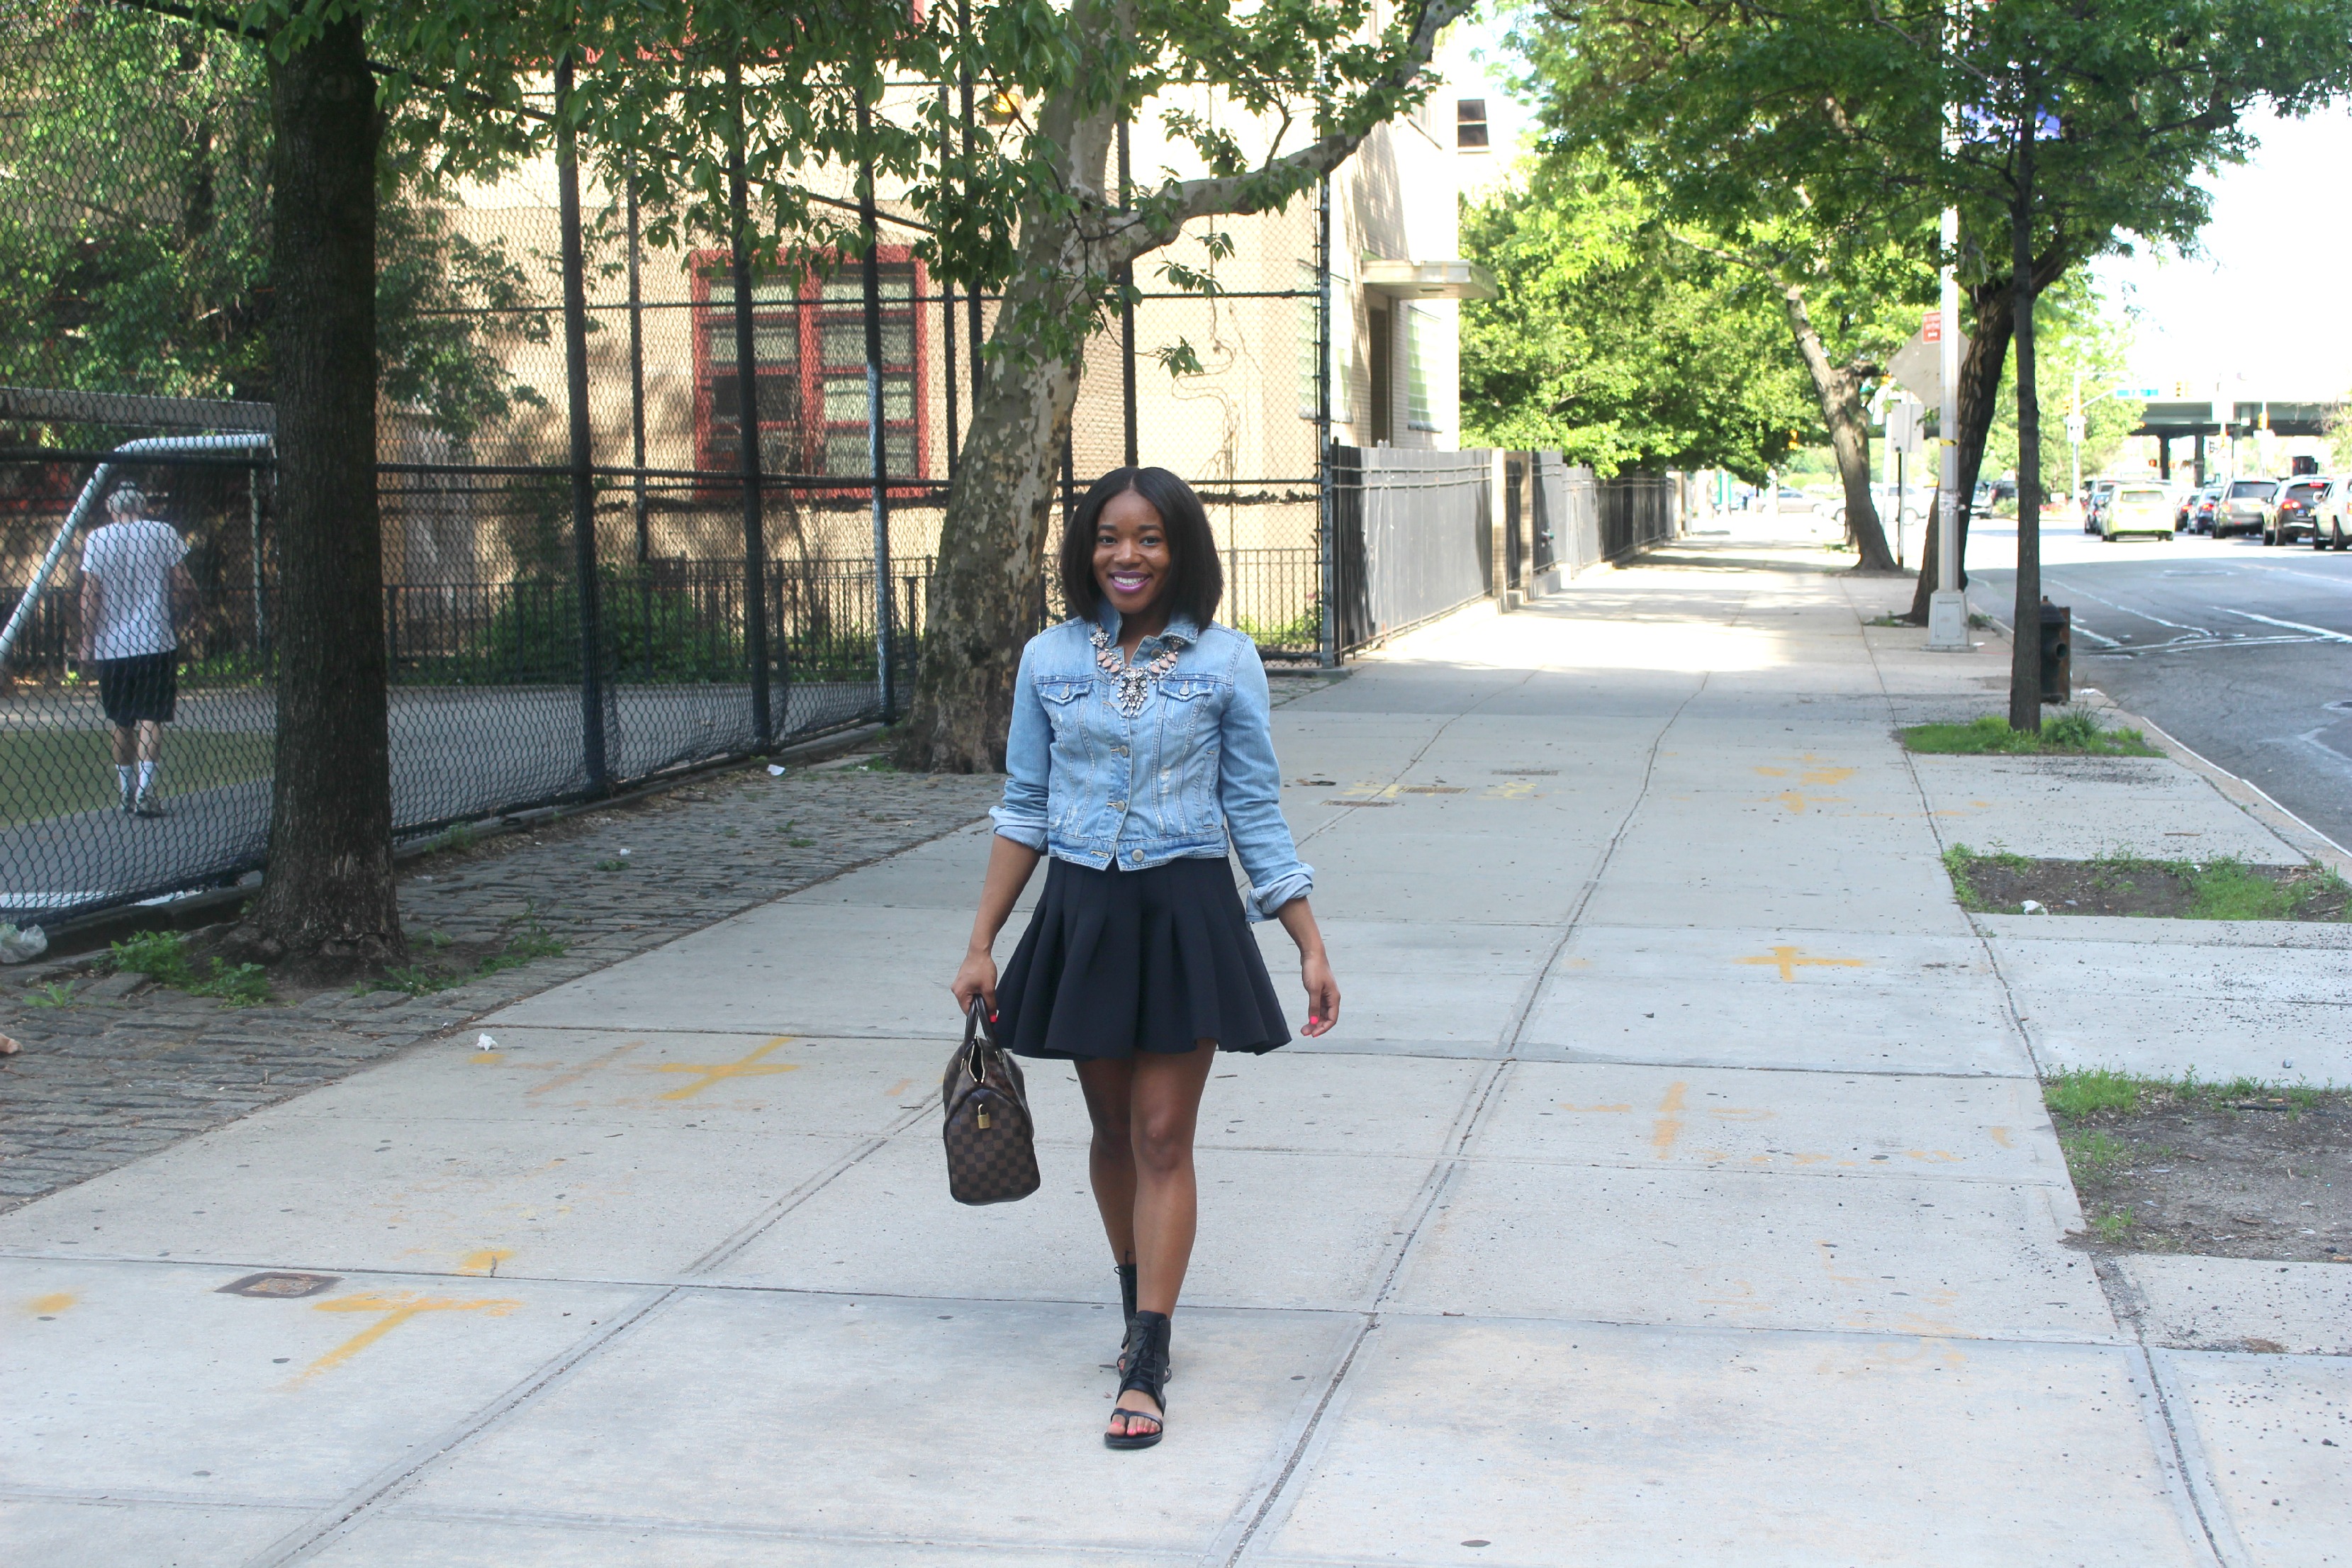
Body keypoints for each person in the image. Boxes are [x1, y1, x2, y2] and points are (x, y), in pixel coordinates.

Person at [952, 466, 1340, 1452]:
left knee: (1164, 1133)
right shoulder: (1047, 660)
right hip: (1083, 910)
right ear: (1087, 551)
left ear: (1180, 551)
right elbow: (1024, 808)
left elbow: (1251, 805)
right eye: (1108, 538)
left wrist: (1305, 940)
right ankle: (1135, 1307)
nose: (1127, 556)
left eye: (1150, 538)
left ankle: (1149, 1354)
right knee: (1114, 1132)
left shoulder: (1226, 662)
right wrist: (981, 943)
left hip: (1185, 911)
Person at [78, 485, 194, 818]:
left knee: (121, 720)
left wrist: (87, 640)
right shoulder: (162, 533)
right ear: (143, 507)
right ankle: (145, 792)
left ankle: (126, 791)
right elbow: (182, 581)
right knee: (151, 717)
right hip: (155, 640)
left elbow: (92, 593)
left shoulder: (97, 540)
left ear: (112, 509)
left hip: (112, 645)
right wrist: (188, 609)